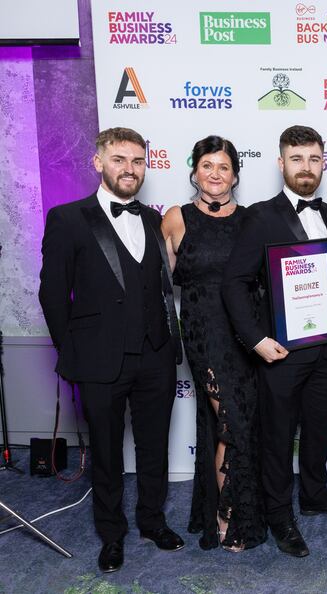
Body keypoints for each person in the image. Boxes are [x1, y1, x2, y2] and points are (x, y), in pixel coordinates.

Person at [38, 127, 184, 572]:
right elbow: (52, 295)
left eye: (138, 161)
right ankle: (111, 533)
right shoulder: (68, 218)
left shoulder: (153, 220)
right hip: (99, 361)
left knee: (154, 445)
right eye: (119, 159)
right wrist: (74, 351)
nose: (130, 169)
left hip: (156, 355)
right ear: (98, 163)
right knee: (105, 450)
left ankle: (152, 521)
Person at [222, 125, 327, 558]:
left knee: (319, 428)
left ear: (324, 163)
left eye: (314, 159)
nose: (306, 168)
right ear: (281, 163)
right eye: (297, 159)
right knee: (278, 438)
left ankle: (314, 494)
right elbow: (234, 283)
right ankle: (279, 515)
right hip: (280, 350)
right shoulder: (260, 216)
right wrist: (256, 338)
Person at [161, 135, 267, 552]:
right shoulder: (175, 218)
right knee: (232, 423)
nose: (215, 174)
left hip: (246, 334)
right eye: (208, 165)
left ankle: (218, 507)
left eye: (223, 167)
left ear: (235, 174)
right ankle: (228, 515)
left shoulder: (251, 220)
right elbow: (156, 286)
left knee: (230, 425)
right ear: (195, 171)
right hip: (204, 333)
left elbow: (266, 281)